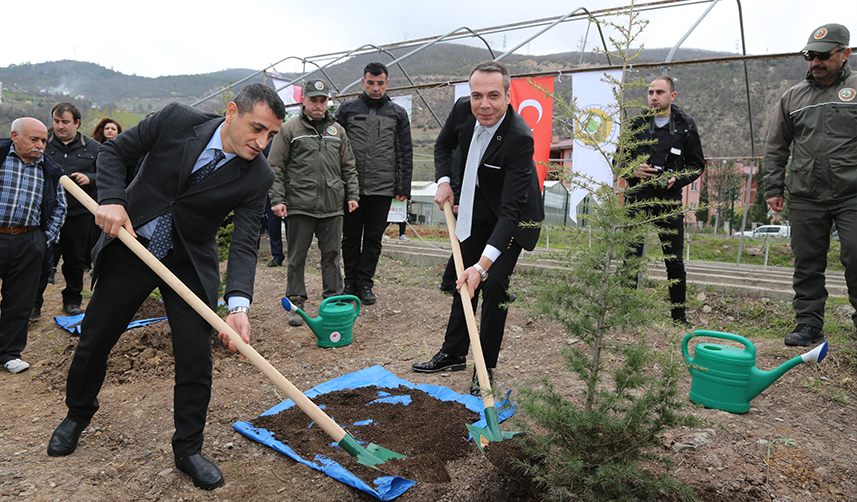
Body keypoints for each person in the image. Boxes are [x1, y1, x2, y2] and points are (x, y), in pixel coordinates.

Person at [47, 83, 285, 492]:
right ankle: (76, 415)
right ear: (231, 112)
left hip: (189, 263)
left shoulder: (258, 175)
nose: (262, 143)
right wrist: (113, 199)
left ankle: (188, 448)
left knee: (195, 358)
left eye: (271, 136)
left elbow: (245, 242)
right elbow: (115, 152)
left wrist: (239, 306)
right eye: (257, 129)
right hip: (132, 243)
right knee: (95, 340)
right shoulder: (177, 119)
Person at [411, 61, 543, 396]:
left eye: (493, 96)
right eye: (477, 95)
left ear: (508, 96)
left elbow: (511, 211)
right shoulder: (462, 110)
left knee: (493, 283)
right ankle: (453, 353)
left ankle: (484, 367)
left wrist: (482, 267)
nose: (484, 104)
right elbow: (443, 146)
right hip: (476, 208)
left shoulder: (519, 138)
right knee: (462, 278)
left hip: (514, 218)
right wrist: (444, 182)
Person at [763, 23, 856, 346]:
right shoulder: (793, 97)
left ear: (844, 53)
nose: (814, 62)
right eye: (809, 56)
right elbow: (776, 146)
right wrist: (773, 188)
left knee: (856, 254)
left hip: (852, 193)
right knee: (807, 263)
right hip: (805, 194)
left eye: (822, 56)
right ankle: (808, 324)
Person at [268, 79, 359, 326]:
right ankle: (296, 305)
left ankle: (334, 302)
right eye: (313, 100)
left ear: (327, 102)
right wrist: (278, 199)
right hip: (300, 204)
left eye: (323, 100)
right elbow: (275, 167)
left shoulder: (337, 131)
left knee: (332, 255)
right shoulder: (290, 129)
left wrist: (352, 195)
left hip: (332, 205)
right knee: (296, 256)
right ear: (304, 101)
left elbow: (348, 166)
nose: (319, 105)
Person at [624, 76, 705, 325]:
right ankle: (625, 312)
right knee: (630, 256)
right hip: (637, 197)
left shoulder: (685, 125)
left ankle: (678, 316)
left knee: (674, 259)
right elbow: (619, 161)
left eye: (659, 92)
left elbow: (696, 164)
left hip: (668, 199)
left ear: (672, 96)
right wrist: (633, 170)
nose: (653, 97)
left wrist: (676, 179)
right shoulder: (636, 124)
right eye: (650, 92)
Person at [335, 62, 413, 305]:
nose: (375, 88)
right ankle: (349, 283)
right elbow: (333, 146)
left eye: (380, 83)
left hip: (382, 187)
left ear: (387, 83)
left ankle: (365, 283)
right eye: (371, 82)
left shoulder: (397, 113)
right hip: (351, 189)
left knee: (373, 238)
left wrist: (403, 187)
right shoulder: (347, 109)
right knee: (349, 236)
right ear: (363, 82)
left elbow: (405, 151)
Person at [0, 118, 67, 373]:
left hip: (28, 240)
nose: (40, 145)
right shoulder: (2, 157)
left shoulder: (49, 170)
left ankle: (9, 353)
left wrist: (44, 239)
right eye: (34, 139)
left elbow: (61, 206)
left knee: (20, 300)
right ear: (15, 136)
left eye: (43, 141)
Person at [41, 103, 100, 316]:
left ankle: (73, 300)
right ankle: (34, 303)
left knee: (75, 260)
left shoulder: (92, 148)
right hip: (46, 214)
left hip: (78, 214)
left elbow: (106, 174)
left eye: (65, 122)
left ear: (77, 123)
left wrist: (89, 178)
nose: (59, 126)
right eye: (56, 121)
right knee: (42, 258)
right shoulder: (43, 144)